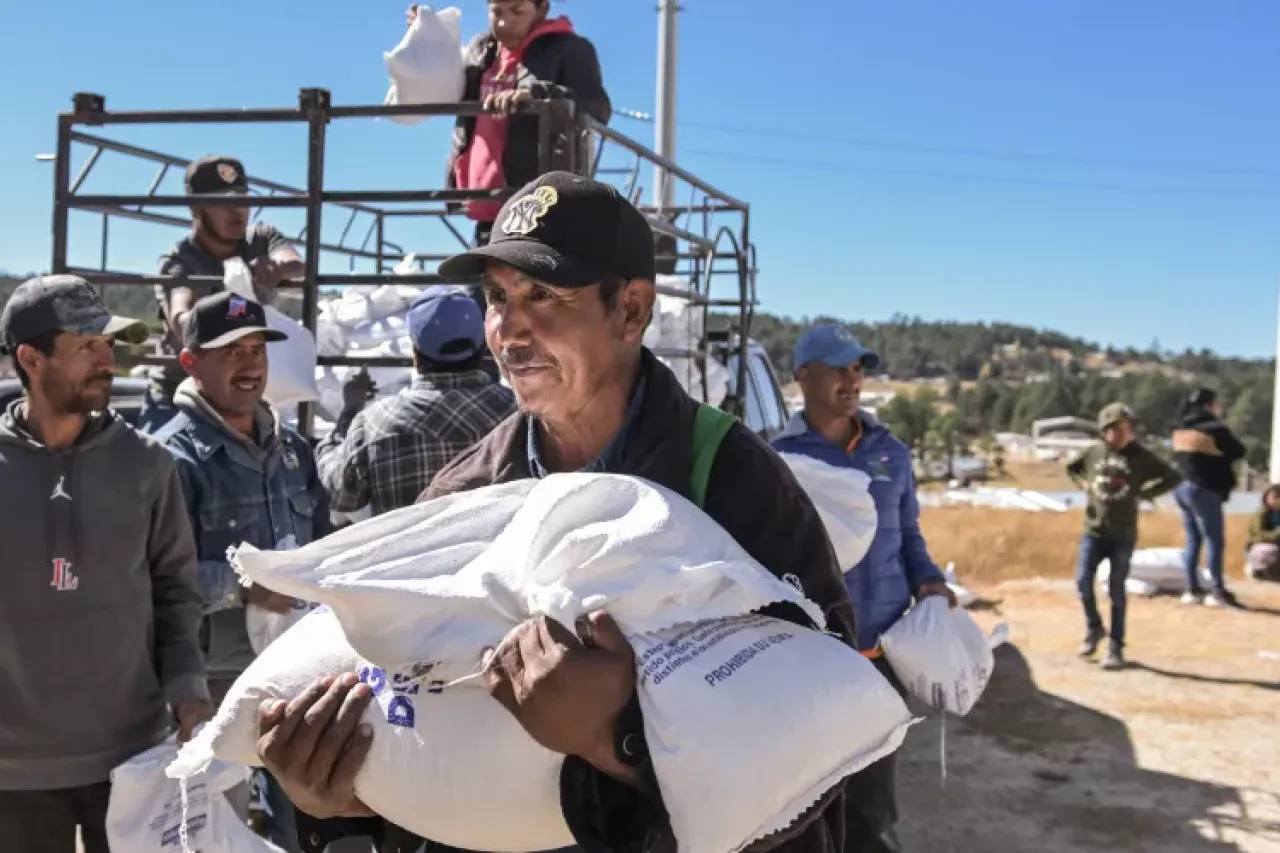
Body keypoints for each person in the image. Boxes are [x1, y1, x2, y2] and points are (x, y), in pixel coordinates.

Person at [249, 172, 897, 853]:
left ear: (631, 310)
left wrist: (618, 737)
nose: (509, 329)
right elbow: (426, 735)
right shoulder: (464, 497)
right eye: (497, 297)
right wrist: (340, 796)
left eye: (543, 296)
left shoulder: (733, 483)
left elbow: (822, 736)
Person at [0, 275, 212, 853]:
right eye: (86, 346)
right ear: (30, 358)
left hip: (133, 758)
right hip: (13, 769)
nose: (106, 360)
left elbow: (176, 591)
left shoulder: (147, 465)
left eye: (109, 345)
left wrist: (189, 689)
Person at [155, 291, 332, 852]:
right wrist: (243, 586)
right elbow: (156, 581)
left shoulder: (293, 452)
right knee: (216, 831)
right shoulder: (172, 461)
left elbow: (326, 547)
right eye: (231, 351)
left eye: (256, 349)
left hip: (296, 671)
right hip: (211, 685)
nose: (251, 364)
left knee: (305, 822)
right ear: (191, 363)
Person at [770, 323, 955, 844]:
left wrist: (930, 581)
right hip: (812, 658)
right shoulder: (775, 458)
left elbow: (909, 533)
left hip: (880, 656)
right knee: (807, 799)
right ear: (803, 376)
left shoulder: (889, 453)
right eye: (839, 369)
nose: (852, 381)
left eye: (858, 370)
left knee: (873, 809)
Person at [408, 0, 611, 248]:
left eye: (517, 11)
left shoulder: (569, 48)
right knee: (483, 285)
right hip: (486, 204)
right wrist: (429, 38)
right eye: (497, 12)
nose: (504, 22)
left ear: (542, 9)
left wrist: (539, 95)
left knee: (528, 284)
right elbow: (448, 89)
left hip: (540, 207)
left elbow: (597, 107)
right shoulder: (481, 49)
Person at [317, 286, 515, 517]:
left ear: (415, 352)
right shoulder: (521, 412)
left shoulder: (376, 424)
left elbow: (336, 494)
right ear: (482, 347)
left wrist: (349, 412)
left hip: (409, 554)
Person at [141, 155, 305, 434]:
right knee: (163, 469)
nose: (237, 210)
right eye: (222, 201)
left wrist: (277, 267)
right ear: (197, 208)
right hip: (181, 394)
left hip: (241, 393)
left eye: (243, 198)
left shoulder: (260, 239)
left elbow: (299, 266)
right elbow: (182, 320)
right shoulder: (179, 261)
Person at [1066, 403, 1181, 671]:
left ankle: (1116, 646)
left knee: (1117, 590)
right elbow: (1072, 468)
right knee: (1083, 582)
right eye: (1117, 430)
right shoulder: (1094, 453)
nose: (1123, 434)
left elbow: (1173, 476)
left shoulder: (1140, 456)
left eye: (1127, 429)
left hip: (1123, 534)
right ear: (1105, 431)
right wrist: (1083, 485)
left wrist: (1146, 494)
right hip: (1093, 530)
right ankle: (1094, 629)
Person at [1171, 387, 1247, 607]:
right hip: (1204, 489)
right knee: (1214, 540)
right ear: (1209, 405)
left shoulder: (1178, 429)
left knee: (1193, 540)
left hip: (1181, 488)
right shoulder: (1215, 429)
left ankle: (1192, 588)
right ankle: (1217, 591)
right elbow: (1239, 451)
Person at [1245, 484, 1280, 582]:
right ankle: (1256, 570)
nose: (1277, 501)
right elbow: (1259, 536)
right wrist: (1276, 533)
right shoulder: (1261, 514)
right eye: (1275, 497)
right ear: (1266, 498)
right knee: (1270, 551)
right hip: (1260, 546)